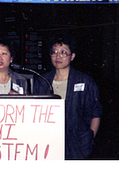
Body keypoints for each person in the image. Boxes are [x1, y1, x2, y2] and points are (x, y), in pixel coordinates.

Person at [33, 31, 103, 159]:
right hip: (49, 143)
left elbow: (95, 112)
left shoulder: (85, 81)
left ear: (72, 56)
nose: (58, 56)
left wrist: (90, 138)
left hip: (78, 144)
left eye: (63, 52)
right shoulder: (43, 81)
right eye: (54, 52)